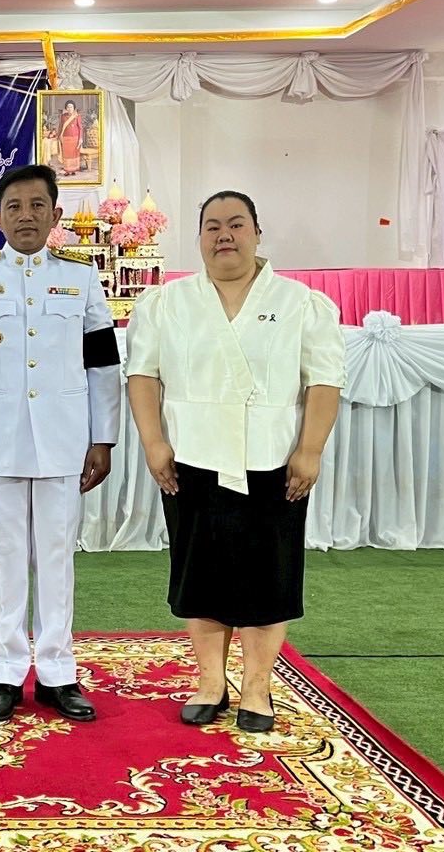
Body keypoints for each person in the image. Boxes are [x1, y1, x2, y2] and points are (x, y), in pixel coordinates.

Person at [124, 190, 345, 733]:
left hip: (273, 461)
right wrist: (154, 443)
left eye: (237, 224)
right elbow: (143, 376)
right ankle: (209, 682)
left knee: (268, 579)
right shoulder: (166, 303)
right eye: (213, 226)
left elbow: (324, 379)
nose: (225, 235)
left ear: (257, 231)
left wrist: (309, 450)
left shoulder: (301, 303)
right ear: (198, 237)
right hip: (191, 458)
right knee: (201, 575)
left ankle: (257, 686)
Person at [0, 163, 121, 724]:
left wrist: (103, 436)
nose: (26, 216)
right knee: (4, 555)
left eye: (37, 205)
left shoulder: (82, 279)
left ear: (56, 215)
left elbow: (102, 365)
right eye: (14, 207)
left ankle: (57, 673)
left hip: (64, 439)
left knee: (56, 556)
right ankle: (3, 671)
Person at [57, 101, 84, 176]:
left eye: (71, 107)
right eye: (68, 107)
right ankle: (67, 170)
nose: (69, 108)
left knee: (74, 154)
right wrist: (58, 135)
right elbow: (60, 126)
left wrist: (80, 138)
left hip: (75, 138)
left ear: (74, 108)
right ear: (66, 108)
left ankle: (73, 170)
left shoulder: (77, 116)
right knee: (66, 155)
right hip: (65, 138)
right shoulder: (63, 116)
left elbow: (80, 128)